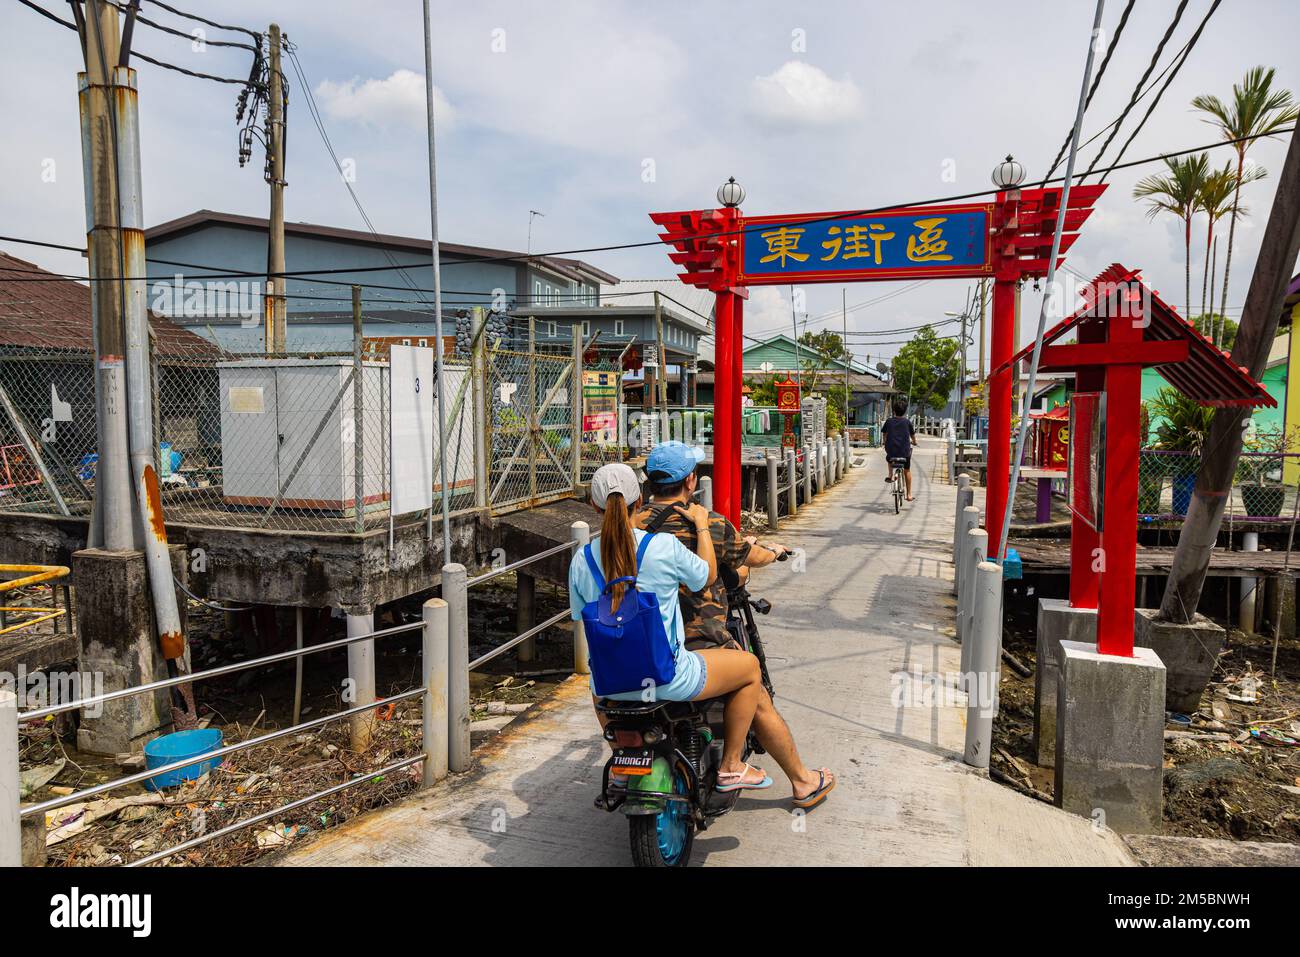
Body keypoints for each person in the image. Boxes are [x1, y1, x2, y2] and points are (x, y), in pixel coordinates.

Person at [629, 442, 835, 808]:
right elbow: (747, 558)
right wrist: (773, 551)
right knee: (754, 688)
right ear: (691, 480)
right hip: (696, 642)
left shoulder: (630, 526)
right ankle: (792, 779)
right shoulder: (708, 524)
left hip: (641, 644)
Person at [881, 396, 918, 502]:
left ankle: (890, 475)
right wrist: (914, 442)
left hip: (891, 452)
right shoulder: (907, 422)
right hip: (904, 453)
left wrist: (885, 442)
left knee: (889, 458)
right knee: (907, 470)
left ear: (894, 411)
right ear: (905, 412)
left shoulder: (888, 421)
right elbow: (913, 436)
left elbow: (884, 434)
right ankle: (909, 494)